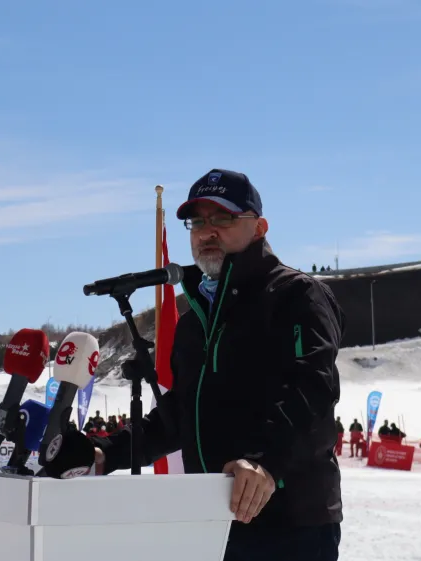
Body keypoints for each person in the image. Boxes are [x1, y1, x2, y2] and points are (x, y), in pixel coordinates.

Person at [90, 169, 344, 561]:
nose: (207, 232)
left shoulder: (297, 295)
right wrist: (109, 452)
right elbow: (181, 412)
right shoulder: (194, 320)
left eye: (222, 218)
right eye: (198, 221)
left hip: (289, 522)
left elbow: (313, 389)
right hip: (210, 517)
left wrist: (265, 464)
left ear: (258, 228)